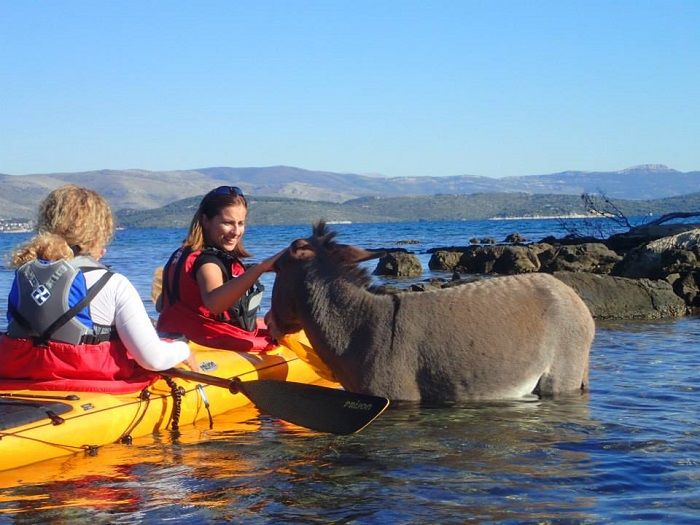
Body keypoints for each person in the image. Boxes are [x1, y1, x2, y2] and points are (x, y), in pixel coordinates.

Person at [0, 185, 197, 393]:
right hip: (90, 388)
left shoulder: (24, 276)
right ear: (96, 237)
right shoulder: (114, 283)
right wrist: (182, 349)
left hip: (20, 381)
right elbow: (153, 360)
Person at [156, 186, 280, 351]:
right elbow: (214, 304)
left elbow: (161, 306)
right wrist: (259, 269)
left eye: (241, 223)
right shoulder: (208, 262)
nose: (236, 231)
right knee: (282, 340)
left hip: (171, 334)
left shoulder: (185, 253)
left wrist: (261, 269)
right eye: (228, 223)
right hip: (205, 341)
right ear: (206, 221)